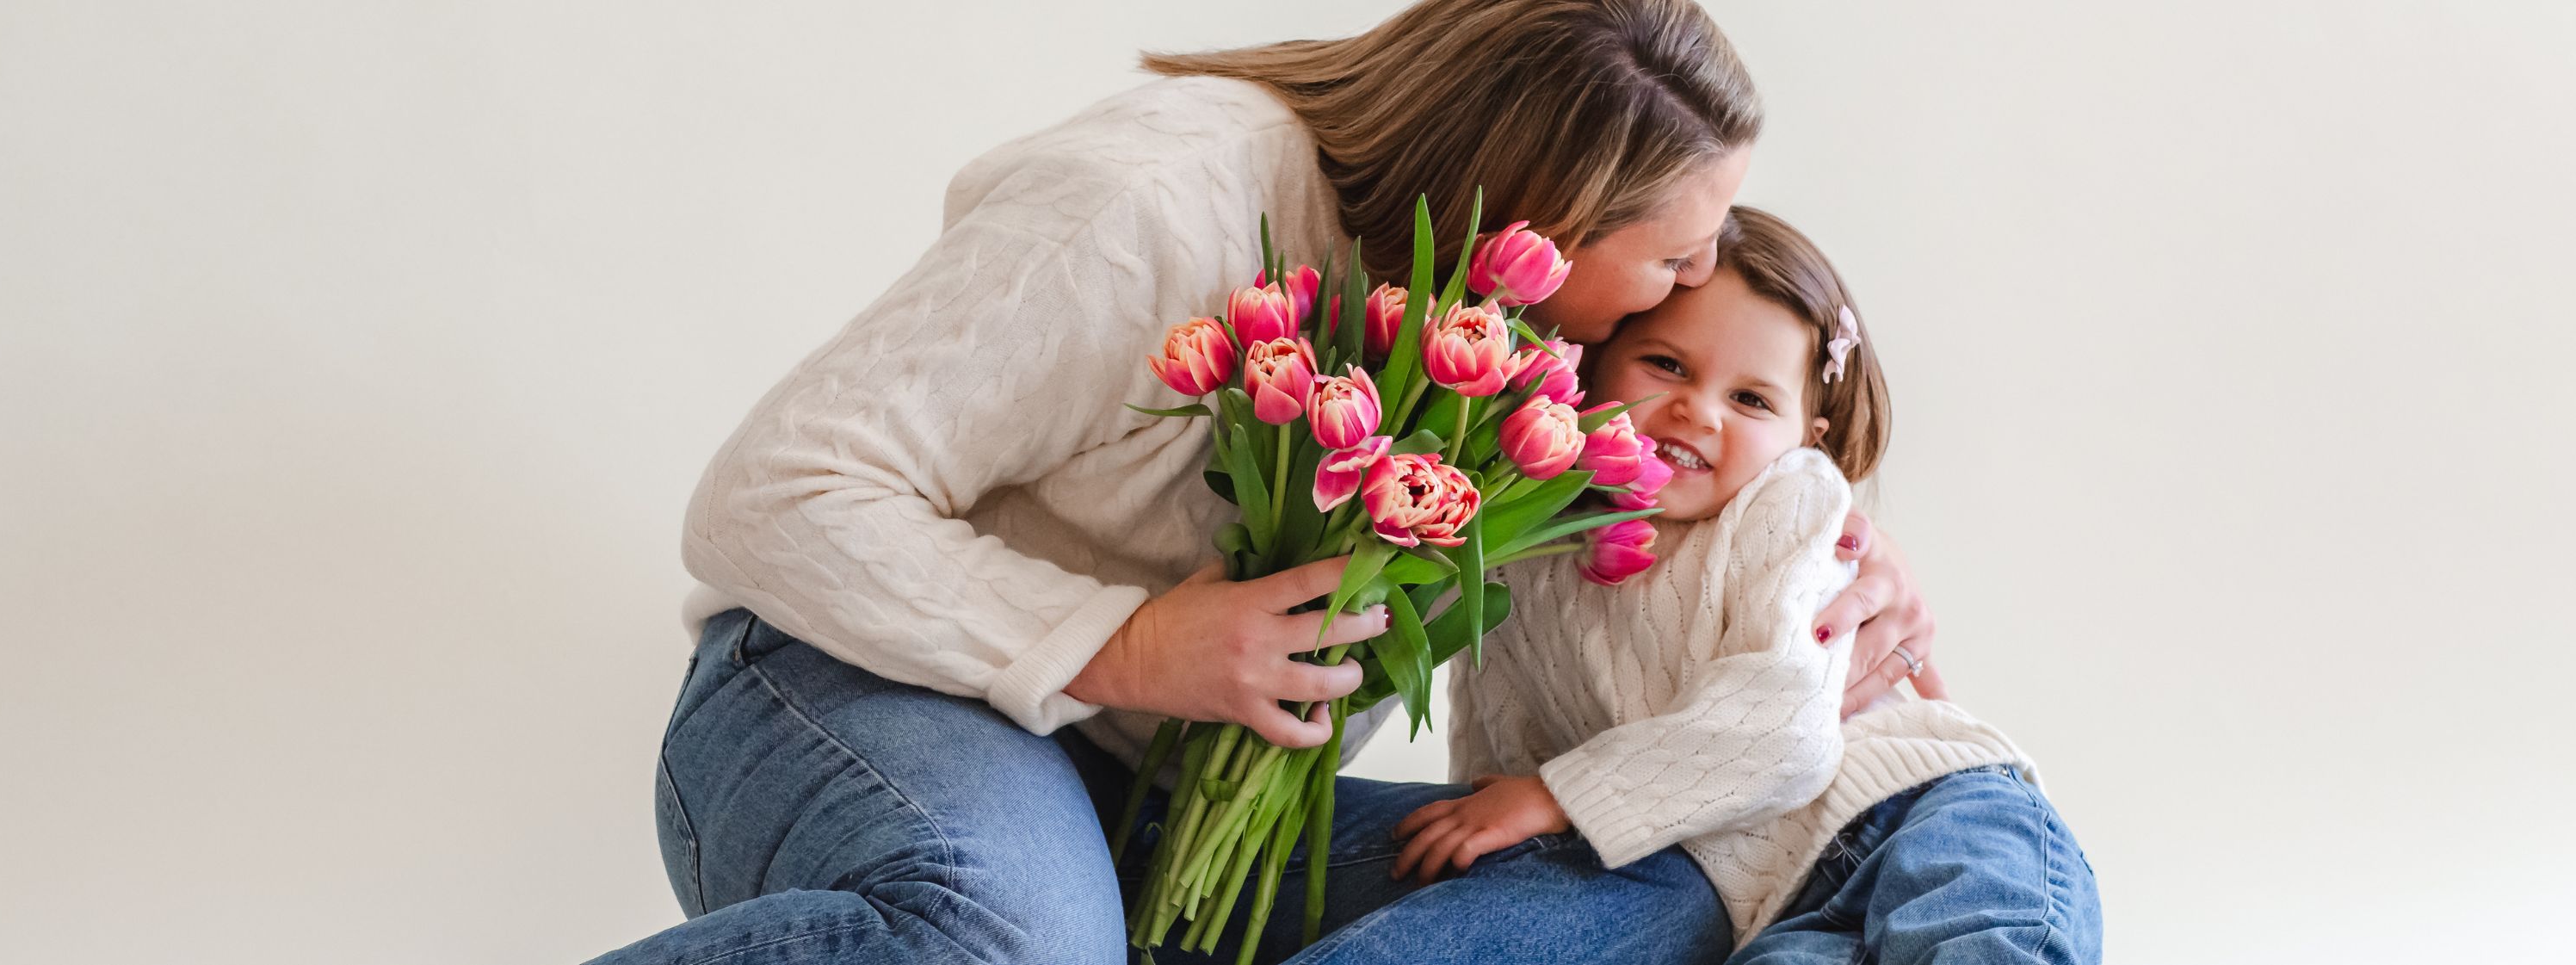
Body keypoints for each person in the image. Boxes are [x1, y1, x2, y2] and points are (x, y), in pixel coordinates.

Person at [586, 3, 1938, 962]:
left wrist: (1809, 544)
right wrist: (1127, 642)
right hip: (847, 694)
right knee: (1011, 943)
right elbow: (772, 495)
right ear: (1552, 209)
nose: (1689, 287)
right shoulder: (1156, 202)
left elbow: (1678, 457)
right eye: (1672, 259)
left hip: (1139, 801)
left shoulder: (1502, 336)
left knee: (1655, 876)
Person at [1370, 207, 2100, 963]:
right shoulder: (1515, 537)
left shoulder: (1785, 500)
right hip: (1768, 900)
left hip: (1922, 811)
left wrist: (1554, 796)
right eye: (1666, 365)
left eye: (1751, 400)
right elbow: (1504, 729)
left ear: (1804, 435)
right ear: (1592, 366)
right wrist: (1501, 810)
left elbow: (1785, 732)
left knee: (1981, 946)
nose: (1698, 410)